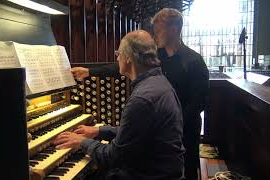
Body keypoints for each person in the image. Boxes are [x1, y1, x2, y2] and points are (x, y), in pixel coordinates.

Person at [71, 8, 209, 180]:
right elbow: (140, 129)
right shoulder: (158, 66)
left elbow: (199, 103)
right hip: (164, 136)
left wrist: (81, 142)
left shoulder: (193, 62)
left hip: (185, 133)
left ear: (174, 29)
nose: (155, 35)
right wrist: (90, 72)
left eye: (158, 30)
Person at [54, 30, 185, 179]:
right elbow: (136, 133)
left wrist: (82, 142)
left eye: (118, 53)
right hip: (163, 169)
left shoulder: (142, 98)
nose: (117, 57)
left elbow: (114, 157)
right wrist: (99, 131)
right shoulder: (158, 82)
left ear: (128, 58)